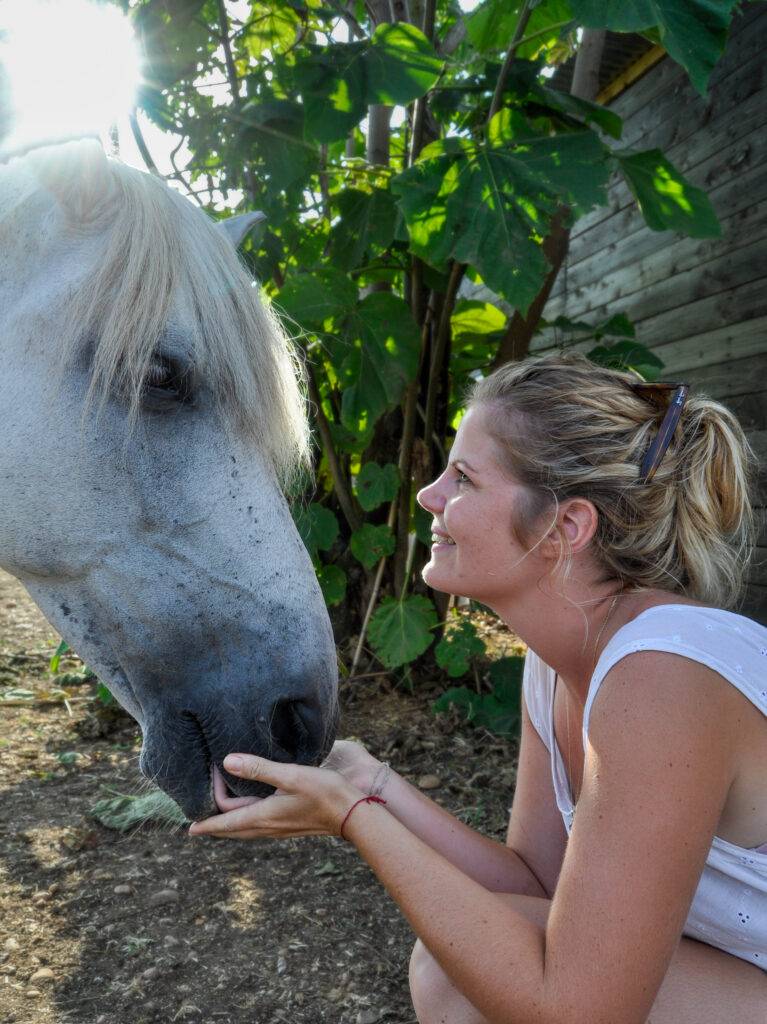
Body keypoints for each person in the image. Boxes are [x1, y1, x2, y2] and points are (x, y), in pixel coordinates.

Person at [190, 351, 767, 1022]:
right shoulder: (556, 663)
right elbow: (538, 883)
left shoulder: (663, 677)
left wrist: (353, 820)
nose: (428, 496)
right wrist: (368, 784)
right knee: (472, 956)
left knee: (461, 973)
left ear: (564, 527)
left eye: (462, 478)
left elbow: (580, 1011)